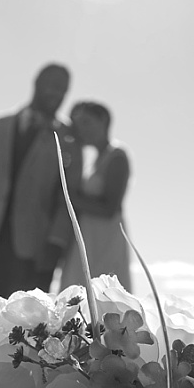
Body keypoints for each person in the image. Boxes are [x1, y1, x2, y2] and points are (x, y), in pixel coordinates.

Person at [0, 63, 81, 334]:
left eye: (63, 88)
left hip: (34, 248)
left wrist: (55, 243)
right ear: (36, 83)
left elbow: (68, 198)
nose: (57, 92)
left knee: (24, 326)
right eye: (52, 84)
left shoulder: (69, 140)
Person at [56, 101, 132, 291]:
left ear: (103, 121)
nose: (80, 129)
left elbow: (109, 208)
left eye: (86, 122)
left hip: (105, 238)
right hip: (87, 236)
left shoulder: (117, 156)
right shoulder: (93, 160)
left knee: (104, 293)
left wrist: (67, 197)